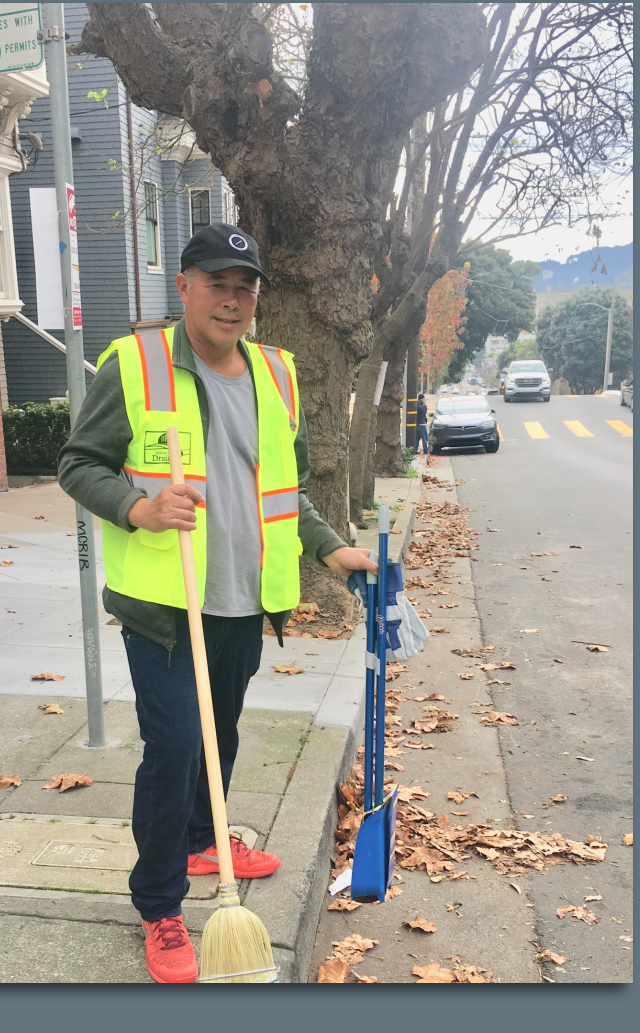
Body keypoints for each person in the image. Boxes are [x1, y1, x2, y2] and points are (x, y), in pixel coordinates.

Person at [57, 222, 378, 983]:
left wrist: (331, 547)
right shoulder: (133, 365)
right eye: (216, 284)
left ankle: (208, 835)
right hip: (165, 606)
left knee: (219, 734)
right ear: (185, 288)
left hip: (241, 599)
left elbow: (285, 490)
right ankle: (160, 905)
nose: (231, 302)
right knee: (172, 750)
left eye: (244, 288)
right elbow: (77, 463)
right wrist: (137, 507)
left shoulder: (275, 374)